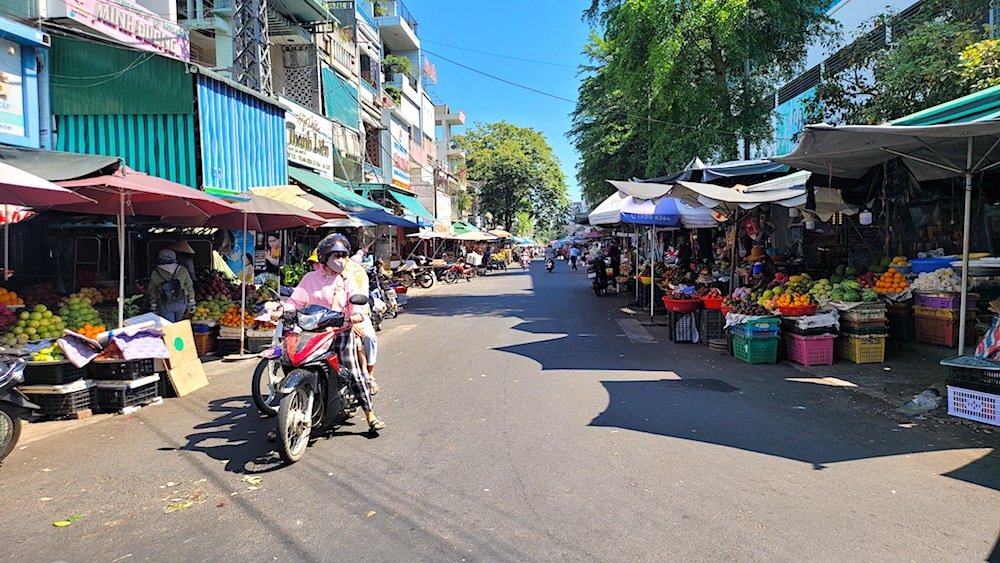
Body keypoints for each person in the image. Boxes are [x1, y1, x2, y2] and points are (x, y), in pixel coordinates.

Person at [278, 235, 384, 431]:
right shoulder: (309, 279)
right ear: (325, 257)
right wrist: (281, 309)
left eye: (345, 255)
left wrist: (356, 315)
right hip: (312, 332)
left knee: (353, 371)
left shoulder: (346, 280)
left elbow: (355, 301)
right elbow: (295, 301)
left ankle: (370, 415)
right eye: (337, 255)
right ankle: (285, 419)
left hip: (340, 331)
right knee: (290, 362)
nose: (341, 260)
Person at [148, 249, 195, 322]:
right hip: (181, 301)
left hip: (164, 302)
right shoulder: (182, 269)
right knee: (179, 323)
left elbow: (152, 289)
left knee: (169, 325)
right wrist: (191, 301)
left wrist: (153, 305)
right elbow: (189, 285)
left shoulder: (156, 272)